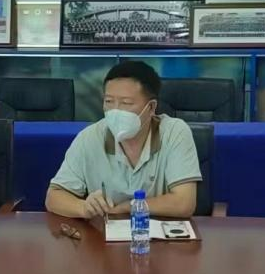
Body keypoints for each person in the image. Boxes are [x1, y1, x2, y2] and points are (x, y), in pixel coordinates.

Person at [46, 61, 201, 220]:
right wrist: (84, 208)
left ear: (151, 107)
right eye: (109, 101)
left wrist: (126, 207)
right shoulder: (89, 137)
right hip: (103, 233)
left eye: (126, 103)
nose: (115, 111)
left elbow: (184, 203)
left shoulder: (174, 132)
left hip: (160, 232)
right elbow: (54, 197)